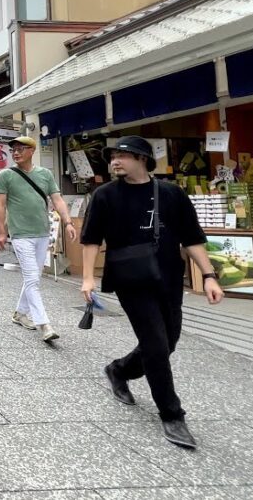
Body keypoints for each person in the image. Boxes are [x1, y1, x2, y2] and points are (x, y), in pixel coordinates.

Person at [81, 135, 224, 450]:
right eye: (113, 156)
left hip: (169, 277)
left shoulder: (171, 194)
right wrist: (88, 278)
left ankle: (119, 369)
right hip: (130, 279)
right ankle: (172, 415)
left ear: (143, 159)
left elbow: (191, 238)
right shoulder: (104, 195)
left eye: (123, 155)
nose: (115, 161)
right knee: (156, 346)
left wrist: (209, 275)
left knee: (167, 341)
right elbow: (91, 238)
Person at [0, 136, 77, 342]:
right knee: (32, 278)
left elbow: (57, 199)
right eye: (13, 149)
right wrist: (1, 232)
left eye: (21, 149)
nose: (15, 153)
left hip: (42, 232)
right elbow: (0, 205)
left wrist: (67, 222)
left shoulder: (45, 174)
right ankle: (44, 324)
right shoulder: (6, 175)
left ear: (32, 150)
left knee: (34, 277)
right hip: (21, 235)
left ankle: (20, 314)